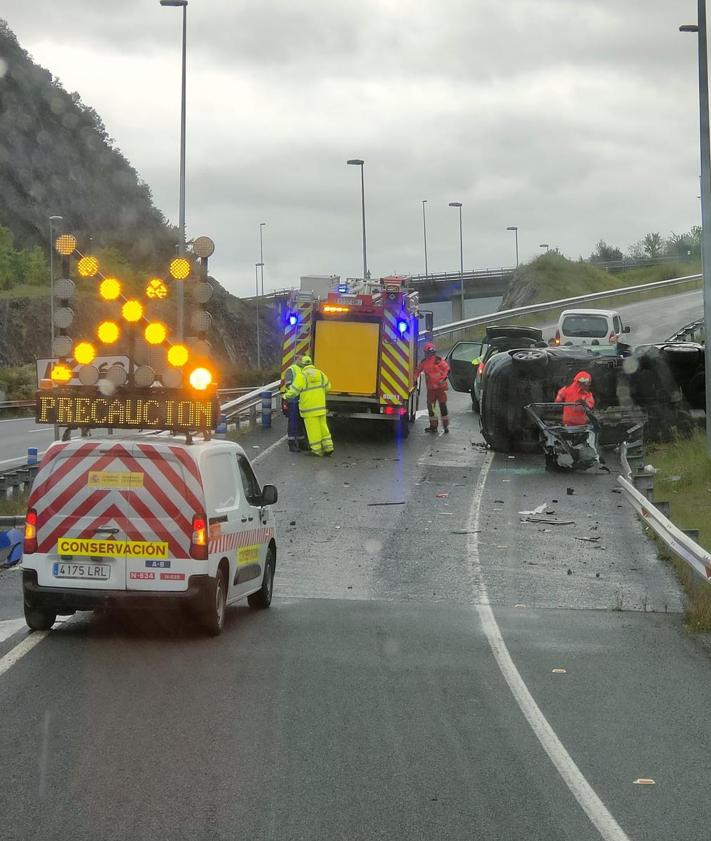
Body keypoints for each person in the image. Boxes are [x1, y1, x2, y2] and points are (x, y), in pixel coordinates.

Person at [284, 355, 334, 456]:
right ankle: (328, 447)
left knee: (312, 428)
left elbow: (294, 390)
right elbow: (328, 387)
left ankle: (316, 450)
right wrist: (319, 393)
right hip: (319, 406)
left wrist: (286, 396)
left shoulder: (302, 375)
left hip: (306, 405)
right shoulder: (319, 373)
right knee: (323, 427)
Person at [416, 342, 450, 433]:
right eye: (427, 352)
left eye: (430, 352)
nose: (429, 354)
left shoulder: (438, 361)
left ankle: (445, 426)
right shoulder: (424, 362)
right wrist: (413, 379)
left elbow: (447, 369)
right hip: (431, 390)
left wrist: (443, 379)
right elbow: (417, 371)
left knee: (442, 407)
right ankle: (434, 426)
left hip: (440, 389)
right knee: (432, 408)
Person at [282, 355, 307, 453]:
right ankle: (292, 443)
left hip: (302, 400)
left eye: (303, 359)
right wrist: (299, 390)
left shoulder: (303, 369)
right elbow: (288, 385)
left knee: (301, 422)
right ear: (296, 359)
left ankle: (301, 442)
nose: (302, 361)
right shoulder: (291, 369)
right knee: (293, 422)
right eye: (300, 359)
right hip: (293, 400)